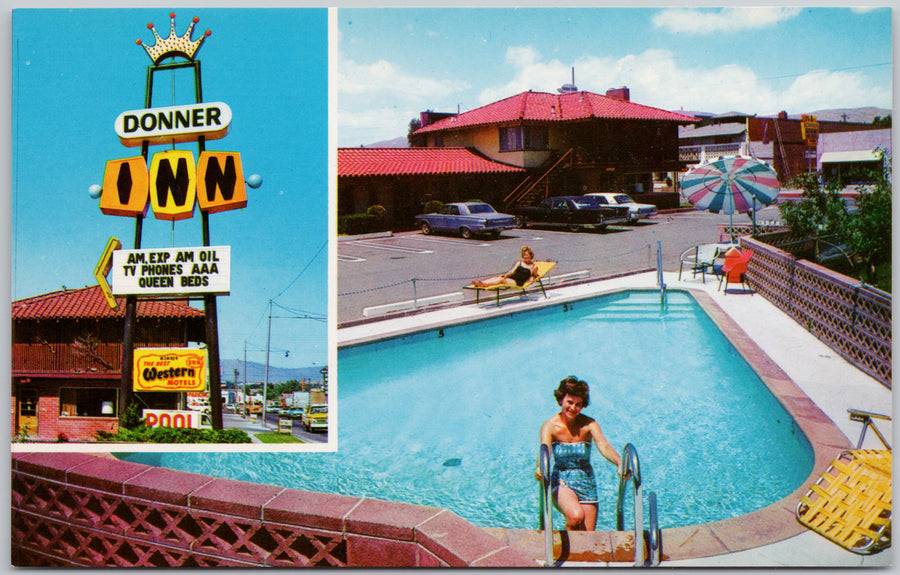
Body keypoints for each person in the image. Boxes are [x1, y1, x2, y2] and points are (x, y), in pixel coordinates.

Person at [534, 376, 627, 531]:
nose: (573, 408)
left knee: (587, 536)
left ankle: (571, 551)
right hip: (561, 480)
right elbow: (545, 450)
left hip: (586, 481)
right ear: (561, 400)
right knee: (576, 516)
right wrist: (540, 467)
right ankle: (560, 553)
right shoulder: (550, 426)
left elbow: (603, 445)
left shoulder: (589, 424)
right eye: (569, 402)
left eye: (578, 405)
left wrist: (620, 462)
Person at [472, 245, 539, 288]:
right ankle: (481, 282)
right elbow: (512, 271)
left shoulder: (534, 266)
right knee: (499, 277)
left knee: (501, 279)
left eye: (527, 255)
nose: (525, 257)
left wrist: (532, 280)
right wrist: (506, 275)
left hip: (518, 282)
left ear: (531, 255)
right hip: (512, 278)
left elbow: (534, 275)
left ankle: (483, 284)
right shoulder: (519, 262)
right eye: (524, 255)